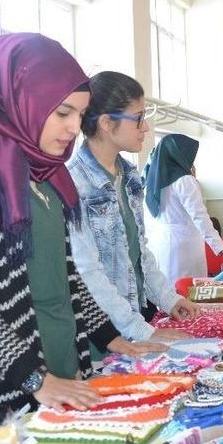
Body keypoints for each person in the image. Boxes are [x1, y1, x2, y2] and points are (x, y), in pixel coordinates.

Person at [0, 34, 163, 444]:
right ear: (21, 102)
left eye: (80, 114)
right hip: (7, 395)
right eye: (63, 113)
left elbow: (67, 278)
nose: (75, 127)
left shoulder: (49, 179)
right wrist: (37, 379)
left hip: (62, 378)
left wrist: (111, 339)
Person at [68, 71, 201, 348]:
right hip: (104, 336)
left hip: (135, 320)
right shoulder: (75, 185)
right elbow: (88, 273)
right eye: (138, 117)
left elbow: (139, 251)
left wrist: (168, 298)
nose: (147, 127)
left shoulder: (129, 177)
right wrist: (140, 331)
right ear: (106, 123)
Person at [143, 134, 223, 285]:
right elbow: (199, 215)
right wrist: (219, 245)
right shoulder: (183, 179)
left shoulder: (151, 180)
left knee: (168, 291)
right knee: (188, 290)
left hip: (161, 242)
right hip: (184, 245)